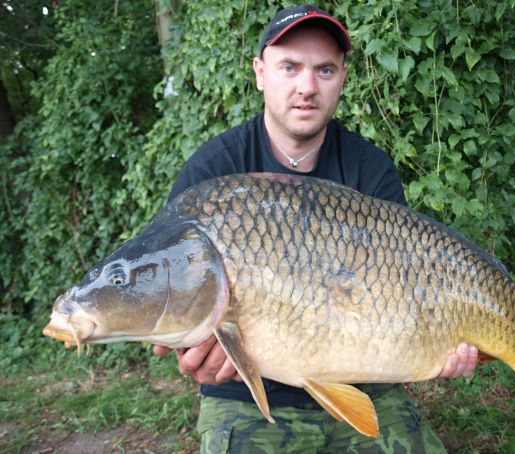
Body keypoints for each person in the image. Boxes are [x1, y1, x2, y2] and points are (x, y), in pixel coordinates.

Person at [154, 4, 478, 453]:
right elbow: (174, 294)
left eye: (324, 70)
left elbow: (405, 291)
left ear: (343, 76)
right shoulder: (212, 173)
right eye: (290, 67)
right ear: (260, 72)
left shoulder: (370, 169)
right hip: (248, 395)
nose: (307, 87)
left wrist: (441, 343)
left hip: (361, 384)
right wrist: (195, 354)